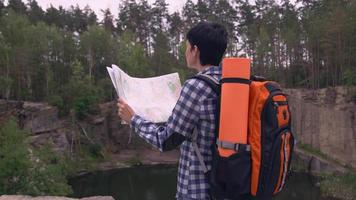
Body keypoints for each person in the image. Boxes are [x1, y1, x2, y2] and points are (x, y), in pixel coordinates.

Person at [117, 21, 228, 200]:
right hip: (225, 188)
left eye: (186, 47)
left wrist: (133, 119)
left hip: (197, 191)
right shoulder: (230, 82)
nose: (185, 52)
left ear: (195, 50)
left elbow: (166, 140)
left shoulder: (196, 87)